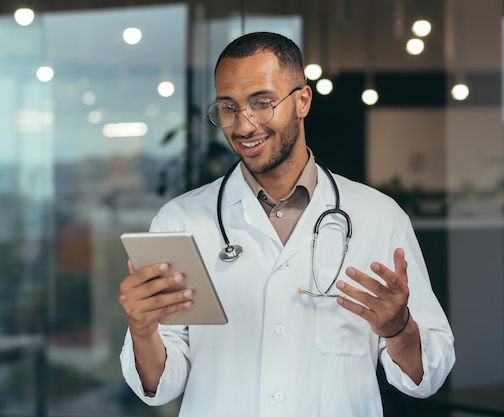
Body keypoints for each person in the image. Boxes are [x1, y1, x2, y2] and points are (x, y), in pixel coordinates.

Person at [118, 31, 455, 417]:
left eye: (261, 103)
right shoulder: (180, 220)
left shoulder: (378, 216)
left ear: (302, 101)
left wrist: (399, 328)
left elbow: (426, 377)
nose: (243, 126)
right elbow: (162, 386)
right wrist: (142, 331)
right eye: (228, 108)